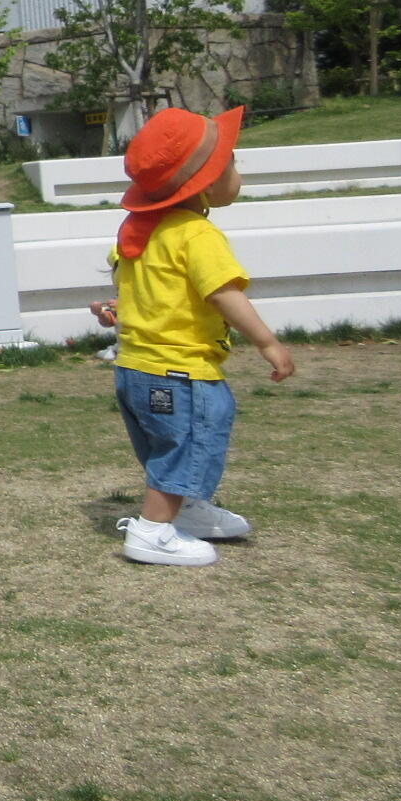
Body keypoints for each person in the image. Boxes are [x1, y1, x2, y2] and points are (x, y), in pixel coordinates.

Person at [105, 105, 293, 568]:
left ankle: (186, 511)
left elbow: (142, 290)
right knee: (188, 442)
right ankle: (153, 532)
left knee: (166, 442)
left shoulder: (138, 230)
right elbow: (223, 294)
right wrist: (267, 342)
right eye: (232, 162)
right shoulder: (197, 234)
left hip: (134, 368)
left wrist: (112, 311)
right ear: (206, 181)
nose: (237, 172)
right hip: (179, 371)